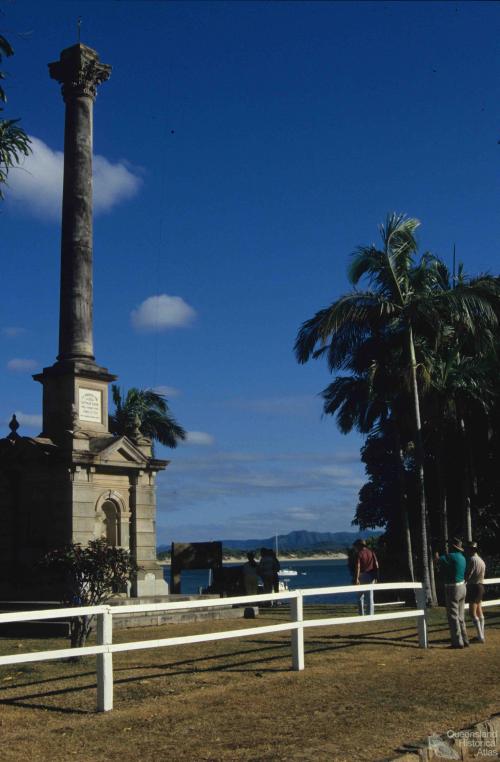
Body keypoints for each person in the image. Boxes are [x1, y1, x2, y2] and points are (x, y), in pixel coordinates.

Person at [436, 538, 469, 649]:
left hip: (453, 588)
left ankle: (457, 642)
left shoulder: (449, 556)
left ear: (452, 546)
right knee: (461, 616)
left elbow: (437, 560)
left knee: (453, 616)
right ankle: (465, 639)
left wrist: (436, 553)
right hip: (462, 587)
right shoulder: (462, 558)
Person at [465, 542, 486, 643]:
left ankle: (480, 636)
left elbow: (469, 573)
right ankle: (481, 635)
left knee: (472, 613)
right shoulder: (481, 560)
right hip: (481, 586)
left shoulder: (472, 560)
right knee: (479, 611)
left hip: (473, 586)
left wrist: (464, 580)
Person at [353, 539, 379, 616]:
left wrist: (357, 578)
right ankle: (370, 614)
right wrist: (376, 577)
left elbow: (358, 566)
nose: (356, 547)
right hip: (371, 575)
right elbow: (376, 564)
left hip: (363, 575)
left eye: (356, 546)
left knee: (360, 597)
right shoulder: (371, 552)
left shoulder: (359, 553)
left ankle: (361, 614)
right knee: (370, 597)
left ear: (359, 545)